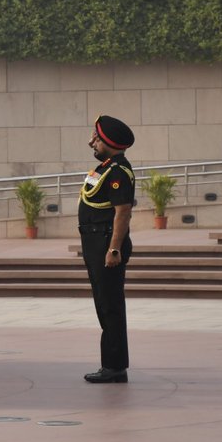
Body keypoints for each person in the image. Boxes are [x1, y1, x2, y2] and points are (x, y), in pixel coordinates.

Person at [78, 115, 136, 384]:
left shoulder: (118, 172)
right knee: (103, 303)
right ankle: (111, 364)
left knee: (110, 304)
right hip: (94, 242)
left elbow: (123, 212)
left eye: (97, 138)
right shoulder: (105, 167)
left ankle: (115, 367)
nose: (92, 141)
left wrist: (113, 249)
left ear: (110, 142)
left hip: (105, 244)